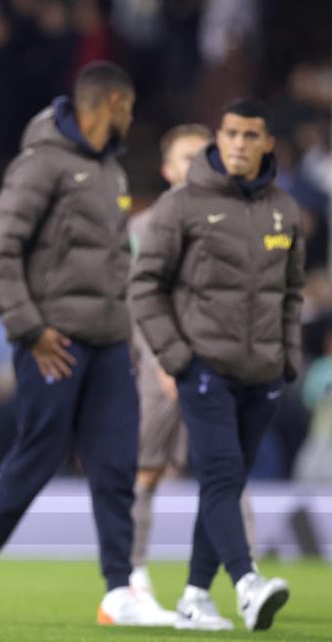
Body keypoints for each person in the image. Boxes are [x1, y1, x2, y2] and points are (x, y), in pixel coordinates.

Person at [0, 61, 173, 627]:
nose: (132, 119)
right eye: (130, 108)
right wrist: (30, 329)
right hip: (54, 341)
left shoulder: (110, 170)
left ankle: (119, 591)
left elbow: (115, 264)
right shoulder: (41, 164)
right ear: (112, 104)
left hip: (110, 343)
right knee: (39, 455)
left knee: (117, 463)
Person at [130, 98, 299, 632]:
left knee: (225, 484)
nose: (238, 144)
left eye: (251, 135)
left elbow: (292, 293)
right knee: (223, 475)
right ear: (218, 140)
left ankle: (195, 596)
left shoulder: (286, 210)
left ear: (268, 143)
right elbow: (144, 286)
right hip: (203, 367)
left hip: (263, 373)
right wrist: (177, 356)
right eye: (230, 133)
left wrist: (288, 357)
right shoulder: (180, 207)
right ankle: (247, 584)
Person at [126, 123, 246, 624]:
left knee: (230, 467)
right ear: (167, 168)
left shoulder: (231, 220)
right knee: (148, 471)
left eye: (204, 154)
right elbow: (137, 300)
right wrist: (159, 358)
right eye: (186, 156)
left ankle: (247, 578)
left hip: (218, 361)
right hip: (163, 365)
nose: (196, 163)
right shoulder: (144, 227)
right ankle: (131, 578)